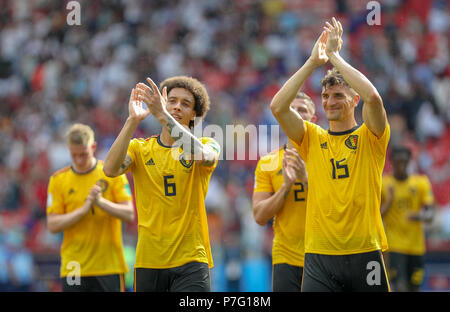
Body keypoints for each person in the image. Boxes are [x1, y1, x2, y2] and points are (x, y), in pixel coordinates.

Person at [270, 18, 390, 291]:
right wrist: (313, 62)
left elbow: (373, 98)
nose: (329, 102)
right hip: (319, 257)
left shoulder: (370, 136)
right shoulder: (312, 137)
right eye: (325, 96)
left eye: (338, 95)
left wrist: (335, 57)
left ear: (353, 99)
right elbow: (278, 107)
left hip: (365, 253)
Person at [103, 76, 220, 292]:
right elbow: (110, 170)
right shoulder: (139, 149)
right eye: (172, 101)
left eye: (185, 104)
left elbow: (204, 155)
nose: (177, 107)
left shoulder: (206, 144)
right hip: (149, 261)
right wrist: (132, 121)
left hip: (192, 259)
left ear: (194, 114)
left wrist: (162, 115)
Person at [46, 123, 134, 292]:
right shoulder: (58, 180)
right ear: (69, 150)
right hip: (74, 264)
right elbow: (52, 224)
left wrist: (101, 203)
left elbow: (129, 214)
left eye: (83, 154)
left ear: (93, 147)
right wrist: (83, 210)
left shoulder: (111, 173)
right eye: (74, 155)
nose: (79, 160)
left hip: (109, 264)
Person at [252, 92, 316, 291]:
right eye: (291, 110)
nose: (296, 114)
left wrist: (305, 180)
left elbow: (340, 204)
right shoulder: (268, 162)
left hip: (323, 255)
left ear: (313, 119)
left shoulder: (327, 157)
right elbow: (260, 216)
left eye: (302, 110)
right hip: (285, 257)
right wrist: (285, 187)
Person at [381, 145, 434, 292]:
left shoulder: (421, 182)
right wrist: (389, 201)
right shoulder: (385, 184)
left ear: (410, 161)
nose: (401, 166)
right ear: (391, 162)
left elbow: (430, 215)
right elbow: (376, 216)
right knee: (400, 287)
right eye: (398, 162)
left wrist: (418, 216)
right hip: (395, 246)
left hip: (417, 247)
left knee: (415, 288)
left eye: (404, 162)